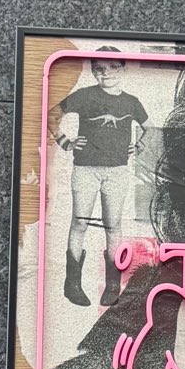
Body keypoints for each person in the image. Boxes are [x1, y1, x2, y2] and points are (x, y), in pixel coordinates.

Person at [49, 52, 147, 308]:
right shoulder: (84, 96)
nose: (107, 73)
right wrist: (65, 142)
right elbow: (52, 115)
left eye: (113, 67)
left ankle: (113, 285)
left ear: (123, 69)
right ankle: (72, 284)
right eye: (100, 68)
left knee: (113, 225)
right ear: (93, 71)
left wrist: (139, 145)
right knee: (79, 223)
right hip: (85, 170)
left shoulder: (131, 102)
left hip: (117, 172)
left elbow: (146, 128)